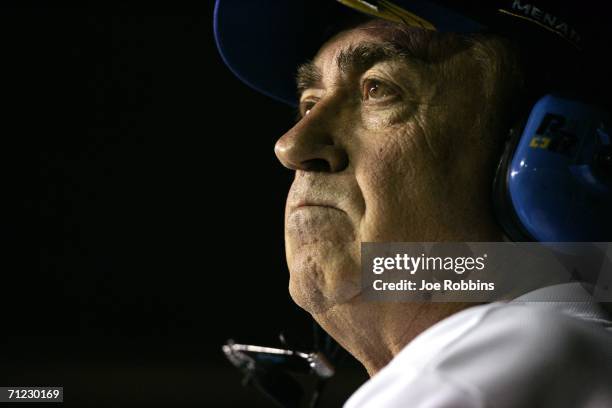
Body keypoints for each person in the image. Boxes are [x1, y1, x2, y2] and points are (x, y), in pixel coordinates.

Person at [215, 1, 612, 406]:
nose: (291, 145)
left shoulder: (525, 355)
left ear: (544, 152)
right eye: (309, 104)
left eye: (378, 89)